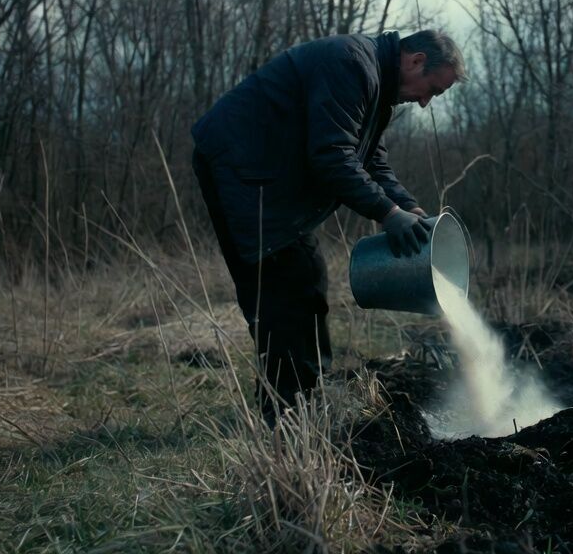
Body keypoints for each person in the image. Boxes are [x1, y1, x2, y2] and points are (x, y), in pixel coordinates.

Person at [191, 29, 464, 424]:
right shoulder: (352, 65)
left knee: (306, 280)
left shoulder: (375, 88)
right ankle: (286, 414)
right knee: (283, 289)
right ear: (416, 60)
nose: (423, 103)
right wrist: (387, 214)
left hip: (268, 176)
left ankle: (303, 401)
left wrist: (409, 208)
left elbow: (370, 161)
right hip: (243, 170)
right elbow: (332, 155)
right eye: (431, 91)